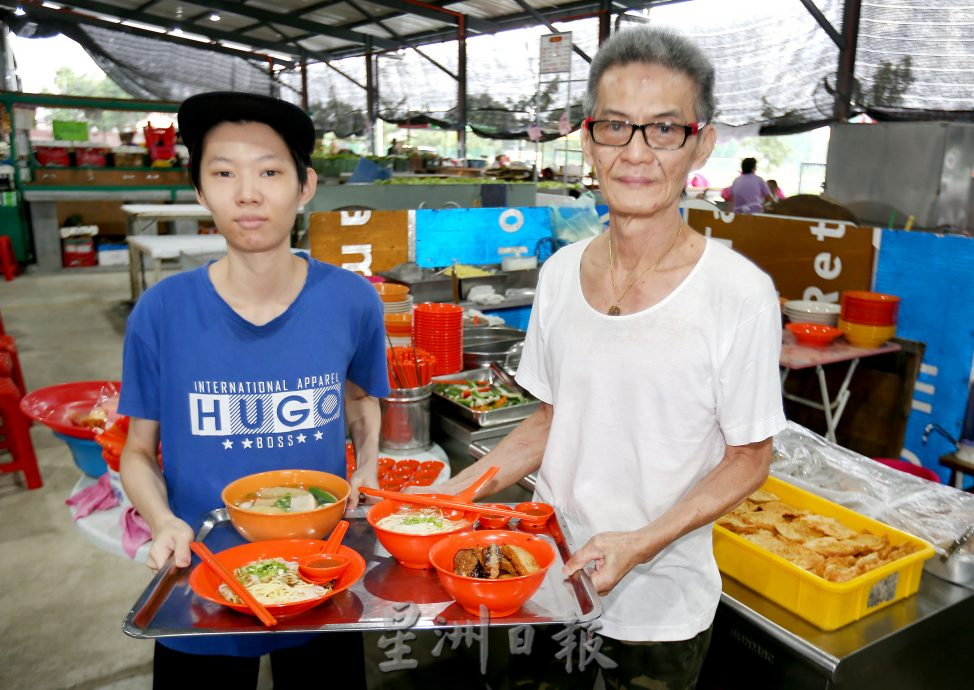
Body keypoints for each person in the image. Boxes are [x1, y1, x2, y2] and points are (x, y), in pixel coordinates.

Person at [425, 26, 785, 689]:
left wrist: (639, 543)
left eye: (664, 129)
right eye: (616, 126)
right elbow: (551, 418)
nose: (637, 153)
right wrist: (455, 493)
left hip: (658, 611)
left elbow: (748, 459)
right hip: (543, 581)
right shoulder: (560, 274)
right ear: (588, 140)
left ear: (701, 142)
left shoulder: (739, 294)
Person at [118, 92, 389, 688]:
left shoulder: (351, 300)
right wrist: (162, 519)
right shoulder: (161, 311)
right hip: (203, 578)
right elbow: (137, 452)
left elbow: (362, 400)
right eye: (223, 173)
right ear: (199, 191)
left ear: (305, 185)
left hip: (322, 576)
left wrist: (367, 462)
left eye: (269, 171)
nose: (247, 193)